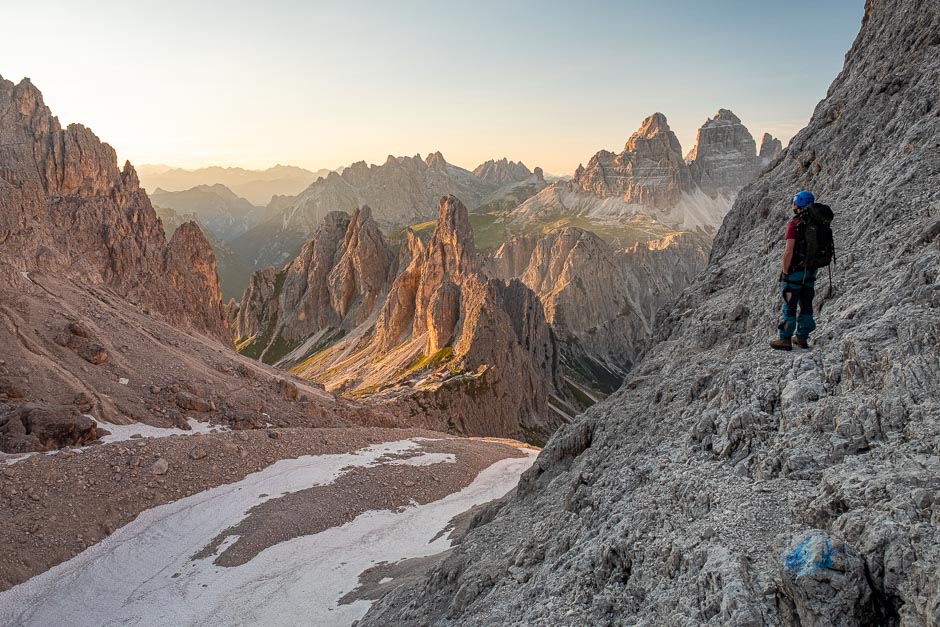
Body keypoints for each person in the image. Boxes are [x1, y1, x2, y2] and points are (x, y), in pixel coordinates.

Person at [771, 191, 818, 351]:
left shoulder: (795, 224)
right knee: (806, 303)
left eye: (794, 203)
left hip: (795, 272)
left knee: (790, 305)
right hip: (811, 271)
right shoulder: (817, 222)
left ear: (798, 205)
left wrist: (785, 272)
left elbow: (788, 251)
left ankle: (785, 339)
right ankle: (802, 337)